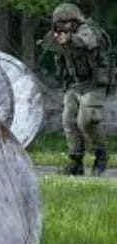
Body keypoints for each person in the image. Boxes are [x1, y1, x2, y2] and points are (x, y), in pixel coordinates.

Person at [49, 3, 113, 176]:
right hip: (74, 84)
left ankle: (101, 156)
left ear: (74, 21)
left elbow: (87, 42)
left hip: (93, 84)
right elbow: (55, 50)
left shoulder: (88, 30)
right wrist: (56, 41)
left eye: (64, 23)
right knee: (68, 121)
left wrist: (69, 40)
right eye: (59, 24)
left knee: (86, 122)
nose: (61, 27)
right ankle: (75, 163)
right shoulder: (64, 35)